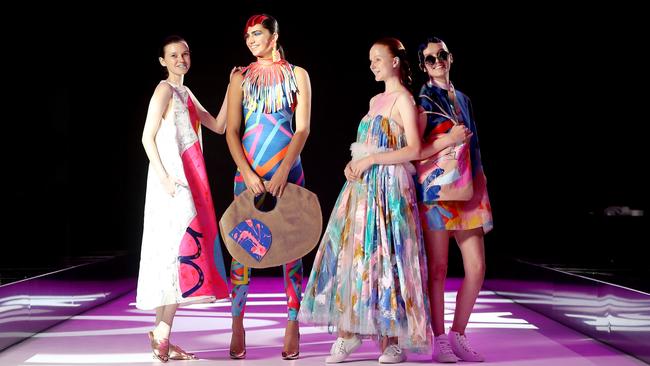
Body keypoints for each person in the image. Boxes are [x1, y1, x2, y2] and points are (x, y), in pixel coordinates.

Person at [299, 38, 431, 364]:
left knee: (387, 257)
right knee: (357, 257)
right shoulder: (375, 100)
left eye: (378, 58)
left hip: (390, 188)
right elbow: (367, 144)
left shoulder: (403, 99)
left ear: (395, 61)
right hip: (364, 191)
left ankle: (391, 340)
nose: (372, 64)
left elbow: (413, 149)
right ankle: (351, 331)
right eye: (370, 59)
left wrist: (372, 160)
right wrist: (354, 162)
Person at [136, 35, 230, 362]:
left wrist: (234, 87)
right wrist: (163, 177)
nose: (180, 59)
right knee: (177, 251)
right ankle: (162, 336)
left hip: (187, 179)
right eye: (173, 55)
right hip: (171, 181)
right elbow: (147, 137)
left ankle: (162, 335)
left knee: (175, 252)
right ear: (163, 61)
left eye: (184, 53)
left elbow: (217, 125)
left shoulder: (185, 92)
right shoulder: (164, 90)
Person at [224, 14, 312, 360]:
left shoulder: (297, 74)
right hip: (248, 173)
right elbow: (232, 130)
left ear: (274, 35)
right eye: (247, 35)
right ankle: (237, 321)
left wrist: (284, 170)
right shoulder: (240, 78)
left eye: (257, 33)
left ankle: (292, 322)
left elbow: (302, 128)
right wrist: (246, 173)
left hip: (288, 172)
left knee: (293, 247)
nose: (251, 39)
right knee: (243, 249)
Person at [415, 36, 493, 363]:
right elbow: (416, 151)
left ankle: (458, 334)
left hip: (468, 189)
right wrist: (448, 139)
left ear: (451, 57)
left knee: (476, 267)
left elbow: (472, 145)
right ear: (422, 66)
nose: (438, 62)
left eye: (442, 55)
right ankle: (439, 339)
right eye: (430, 59)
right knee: (439, 268)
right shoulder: (421, 100)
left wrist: (480, 181)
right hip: (436, 191)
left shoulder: (463, 98)